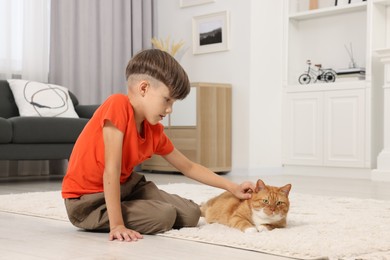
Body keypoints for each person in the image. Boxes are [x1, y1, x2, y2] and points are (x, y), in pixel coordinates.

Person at [62, 49, 256, 242]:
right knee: (165, 216)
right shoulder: (117, 105)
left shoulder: (154, 131)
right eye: (167, 100)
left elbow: (188, 167)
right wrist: (117, 225)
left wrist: (233, 187)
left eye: (173, 102)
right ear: (144, 88)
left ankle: (134, 206)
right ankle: (122, 212)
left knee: (192, 214)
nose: (170, 109)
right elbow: (111, 169)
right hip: (88, 201)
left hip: (126, 188)